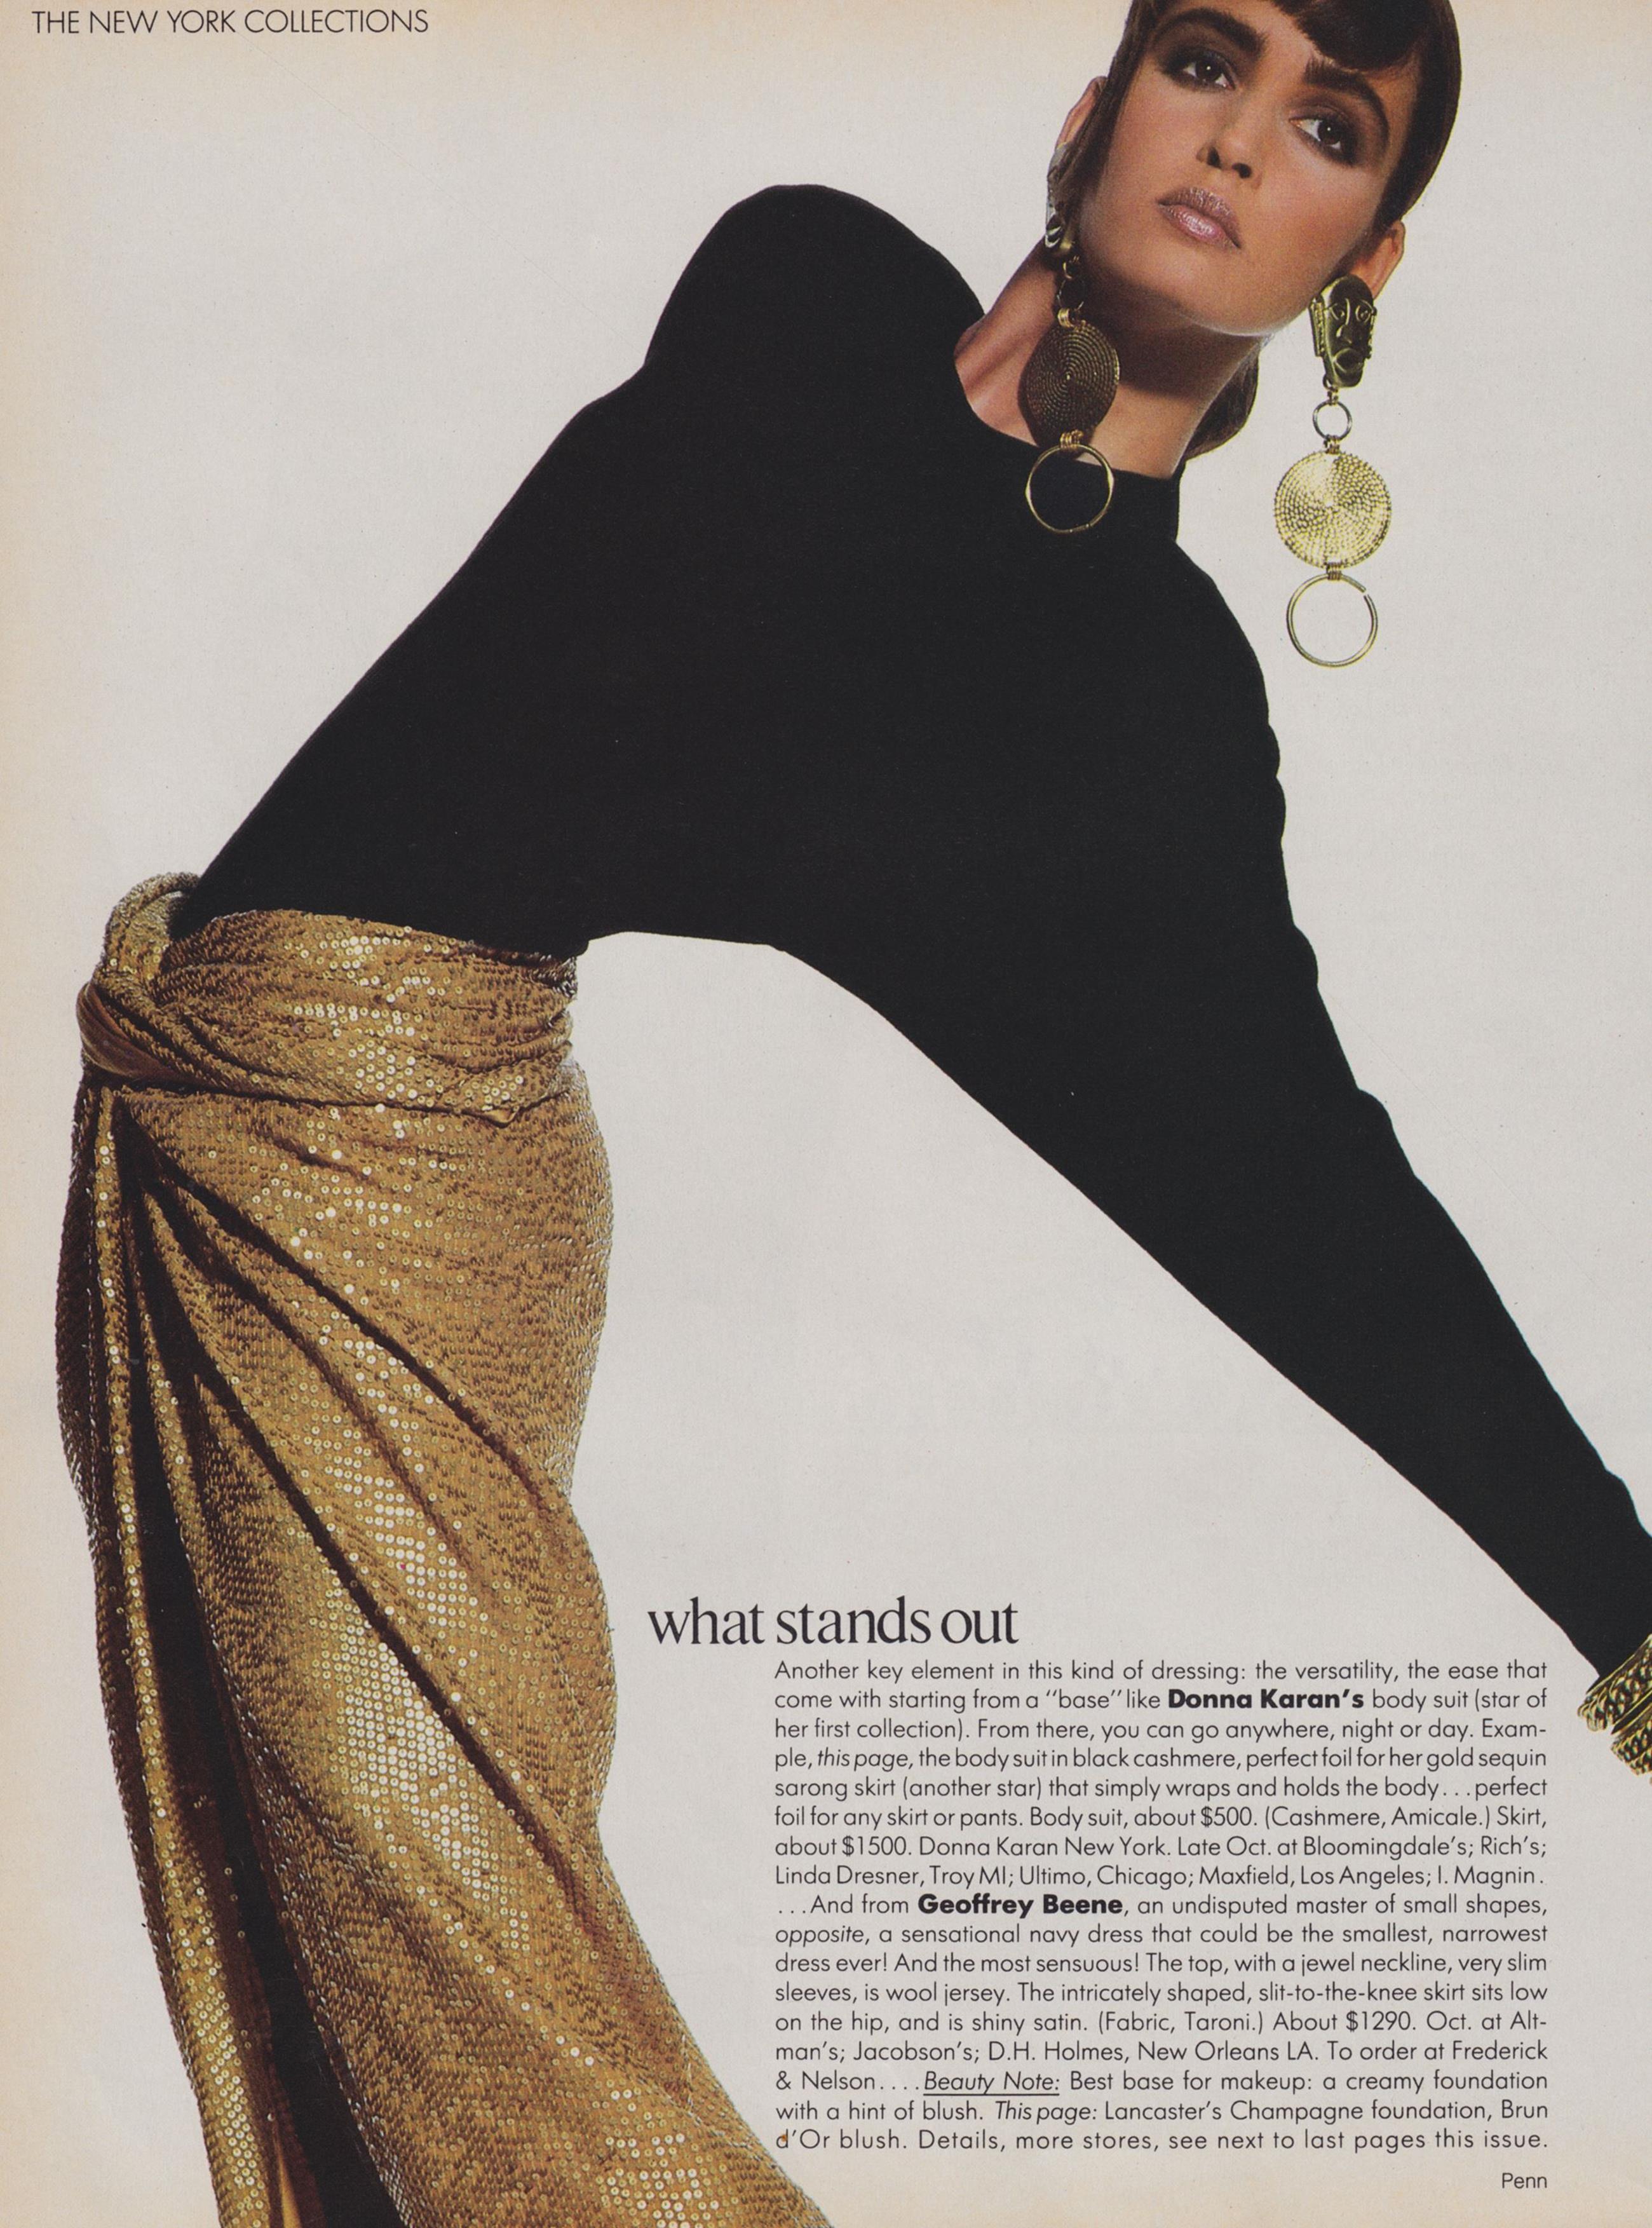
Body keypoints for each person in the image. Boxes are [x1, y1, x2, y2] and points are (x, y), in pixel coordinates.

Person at [55, 1, 1652, 2222]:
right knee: (353, 2028)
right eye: (1206, 63)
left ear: (1364, 262)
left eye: (1330, 124)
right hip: (196, 1121)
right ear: (1094, 110)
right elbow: (718, 604)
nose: (1236, 141)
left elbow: (1305, 1199)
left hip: (396, 1186)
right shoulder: (799, 284)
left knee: (493, 2009)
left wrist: (1628, 1609)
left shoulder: (1134, 703)